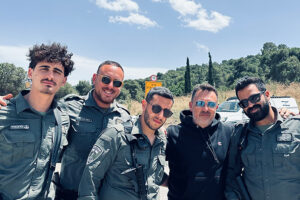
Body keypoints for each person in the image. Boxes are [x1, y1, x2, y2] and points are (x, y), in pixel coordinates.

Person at [0, 43, 74, 199]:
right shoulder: (4, 112)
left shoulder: (63, 120)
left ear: (63, 80)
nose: (50, 76)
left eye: (57, 71)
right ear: (30, 72)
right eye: (44, 68)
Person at [78, 86, 174, 200]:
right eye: (156, 108)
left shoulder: (162, 140)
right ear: (144, 105)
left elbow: (154, 175)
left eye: (166, 112)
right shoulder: (116, 136)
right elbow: (90, 180)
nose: (160, 115)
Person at [56, 60, 131, 199]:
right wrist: (8, 106)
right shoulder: (69, 107)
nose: (110, 86)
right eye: (106, 79)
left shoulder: (125, 116)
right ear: (95, 78)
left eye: (117, 83)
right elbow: (40, 116)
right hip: (71, 194)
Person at [225, 76, 300, 200]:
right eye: (244, 103)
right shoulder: (239, 134)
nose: (250, 105)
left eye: (254, 98)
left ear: (267, 94)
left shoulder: (296, 127)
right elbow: (231, 175)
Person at [166, 83, 234, 200]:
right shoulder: (173, 133)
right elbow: (151, 165)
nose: (205, 109)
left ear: (216, 107)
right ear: (191, 105)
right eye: (200, 103)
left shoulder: (229, 132)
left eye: (211, 104)